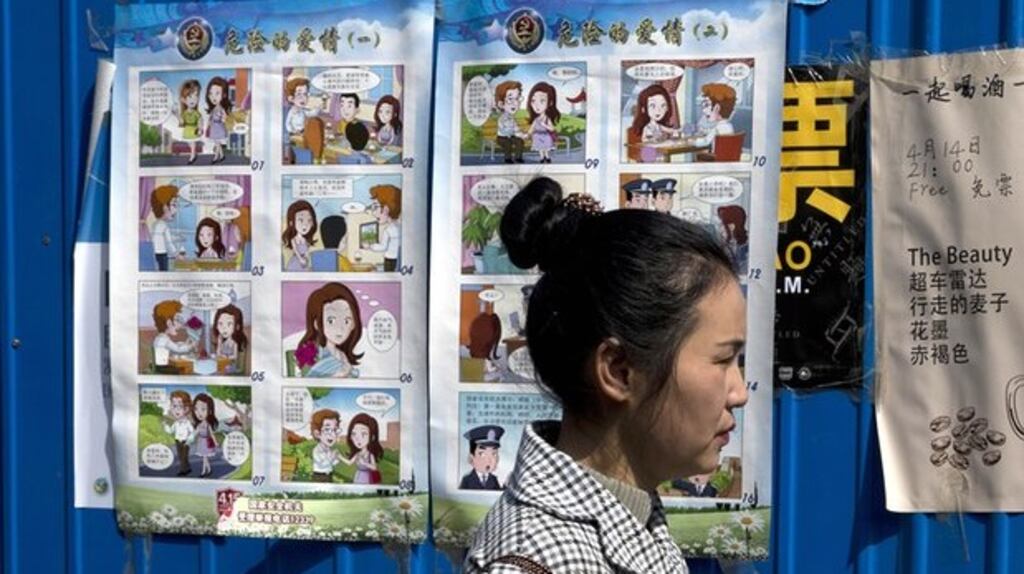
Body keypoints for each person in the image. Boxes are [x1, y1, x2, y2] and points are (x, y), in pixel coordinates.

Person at [464, 177, 747, 573]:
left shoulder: (633, 509)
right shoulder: (531, 563)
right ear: (619, 371)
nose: (740, 393)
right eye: (722, 360)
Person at [298, 282, 364, 378]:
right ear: (317, 324)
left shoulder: (342, 355)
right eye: (331, 321)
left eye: (346, 321)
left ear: (353, 324)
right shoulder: (313, 354)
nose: (340, 328)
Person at [151, 300, 195, 372]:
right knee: (185, 370)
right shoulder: (164, 340)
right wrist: (191, 346)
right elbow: (178, 349)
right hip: (163, 369)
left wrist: (183, 344)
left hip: (160, 367)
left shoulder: (160, 338)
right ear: (169, 323)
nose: (180, 325)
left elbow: (173, 346)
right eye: (177, 320)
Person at [342, 413, 383, 484]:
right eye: (354, 434)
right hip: (358, 476)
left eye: (363, 434)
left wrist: (365, 463)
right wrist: (339, 456)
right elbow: (349, 463)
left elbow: (374, 467)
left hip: (367, 477)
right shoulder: (358, 454)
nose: (358, 439)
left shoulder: (370, 455)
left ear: (372, 437)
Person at [149, 185, 183, 271]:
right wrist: (177, 255)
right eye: (174, 205)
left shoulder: (155, 224)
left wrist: (176, 238)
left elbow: (159, 238)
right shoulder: (164, 225)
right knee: (163, 272)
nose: (176, 210)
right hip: (162, 254)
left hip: (153, 253)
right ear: (164, 207)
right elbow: (168, 243)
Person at [460, 425, 504, 490]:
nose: (489, 460)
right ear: (471, 458)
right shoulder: (467, 480)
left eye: (493, 454)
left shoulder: (494, 479)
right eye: (482, 454)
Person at [693, 83, 737, 150]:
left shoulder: (717, 128)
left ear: (717, 108)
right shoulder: (729, 126)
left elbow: (705, 142)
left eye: (707, 105)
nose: (704, 111)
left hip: (718, 156)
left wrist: (693, 142)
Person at [368, 184, 401, 271]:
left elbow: (383, 247)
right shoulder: (398, 226)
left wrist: (370, 246)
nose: (373, 213)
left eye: (375, 207)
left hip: (390, 259)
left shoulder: (388, 230)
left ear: (386, 208)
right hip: (397, 259)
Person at [163, 390, 194, 476]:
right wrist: (166, 426)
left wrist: (190, 439)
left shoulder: (187, 422)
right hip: (177, 441)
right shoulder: (176, 423)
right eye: (174, 406)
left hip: (185, 441)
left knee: (184, 456)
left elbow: (192, 431)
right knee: (180, 456)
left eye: (180, 406)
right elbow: (171, 431)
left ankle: (183, 470)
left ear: (187, 408)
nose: (177, 410)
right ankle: (187, 468)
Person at [494, 80, 526, 163]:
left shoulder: (512, 118)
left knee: (519, 141)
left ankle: (518, 157)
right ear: (501, 104)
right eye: (510, 99)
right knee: (507, 143)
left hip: (511, 136)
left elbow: (516, 127)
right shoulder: (502, 118)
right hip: (502, 137)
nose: (515, 103)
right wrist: (514, 132)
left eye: (517, 98)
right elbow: (503, 129)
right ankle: (507, 158)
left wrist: (521, 134)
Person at [526, 82, 559, 163]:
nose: (536, 105)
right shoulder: (536, 119)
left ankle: (547, 157)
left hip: (546, 135)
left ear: (550, 103)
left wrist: (545, 125)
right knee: (540, 148)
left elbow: (552, 128)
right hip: (537, 136)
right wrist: (528, 134)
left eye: (542, 101)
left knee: (546, 148)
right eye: (533, 101)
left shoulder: (547, 118)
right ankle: (542, 157)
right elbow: (532, 128)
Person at [282, 200, 318, 271]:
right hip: (296, 261)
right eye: (301, 220)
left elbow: (307, 251)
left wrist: (306, 259)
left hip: (305, 262)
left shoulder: (305, 240)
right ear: (291, 222)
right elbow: (295, 250)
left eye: (309, 220)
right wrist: (300, 259)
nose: (305, 225)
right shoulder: (294, 239)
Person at [204, 76, 232, 164]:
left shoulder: (221, 109)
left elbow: (225, 118)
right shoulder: (213, 109)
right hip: (214, 128)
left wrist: (224, 120)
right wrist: (208, 126)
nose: (213, 97)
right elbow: (210, 119)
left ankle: (216, 157)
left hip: (219, 128)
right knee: (217, 143)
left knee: (217, 143)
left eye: (217, 93)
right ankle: (222, 155)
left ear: (224, 95)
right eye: (211, 93)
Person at [191, 393, 219, 478]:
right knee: (205, 458)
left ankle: (204, 471)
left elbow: (212, 434)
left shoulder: (207, 424)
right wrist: (190, 439)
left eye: (203, 409)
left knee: (205, 458)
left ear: (209, 411)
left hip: (206, 442)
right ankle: (208, 470)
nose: (199, 413)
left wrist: (215, 442)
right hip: (201, 443)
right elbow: (195, 433)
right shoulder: (199, 425)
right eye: (196, 409)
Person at [213, 304, 247, 373]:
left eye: (229, 324)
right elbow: (218, 353)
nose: (224, 328)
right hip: (223, 363)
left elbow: (235, 356)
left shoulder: (235, 341)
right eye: (220, 324)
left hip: (231, 366)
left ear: (237, 326)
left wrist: (226, 357)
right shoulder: (221, 339)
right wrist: (219, 344)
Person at [310, 409, 342, 482]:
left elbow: (333, 463)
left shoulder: (329, 450)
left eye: (334, 430)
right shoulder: (316, 450)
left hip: (329, 475)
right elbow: (323, 464)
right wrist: (332, 457)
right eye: (327, 429)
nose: (332, 434)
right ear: (317, 433)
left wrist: (337, 458)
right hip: (319, 476)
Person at [178, 79, 201, 164]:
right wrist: (176, 114)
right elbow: (181, 122)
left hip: (194, 130)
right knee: (189, 142)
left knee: (193, 142)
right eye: (190, 97)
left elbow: (200, 120)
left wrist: (200, 128)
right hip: (187, 130)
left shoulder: (196, 113)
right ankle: (193, 153)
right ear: (183, 99)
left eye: (196, 96)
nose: (193, 100)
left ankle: (192, 156)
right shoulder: (184, 113)